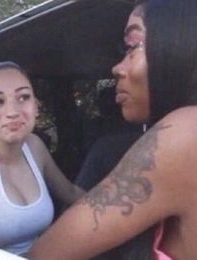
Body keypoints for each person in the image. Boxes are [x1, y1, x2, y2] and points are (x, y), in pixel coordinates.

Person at [28, 0, 197, 259]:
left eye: (132, 47)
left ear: (179, 45)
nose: (117, 68)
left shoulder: (185, 134)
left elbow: (44, 254)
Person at [0, 61, 83, 257]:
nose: (12, 112)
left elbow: (69, 192)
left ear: (35, 107)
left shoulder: (34, 146)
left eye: (23, 97)